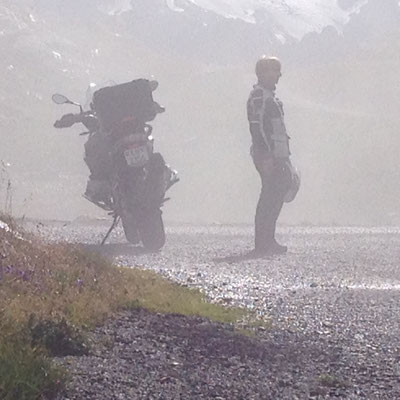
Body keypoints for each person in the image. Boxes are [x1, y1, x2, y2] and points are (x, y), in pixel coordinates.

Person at [246, 56, 292, 256]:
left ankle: (269, 239)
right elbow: (256, 127)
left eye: (278, 71)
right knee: (268, 197)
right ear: (262, 73)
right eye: (272, 71)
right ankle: (262, 242)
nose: (277, 76)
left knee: (275, 196)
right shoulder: (258, 96)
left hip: (278, 155)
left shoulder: (270, 96)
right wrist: (266, 155)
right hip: (267, 155)